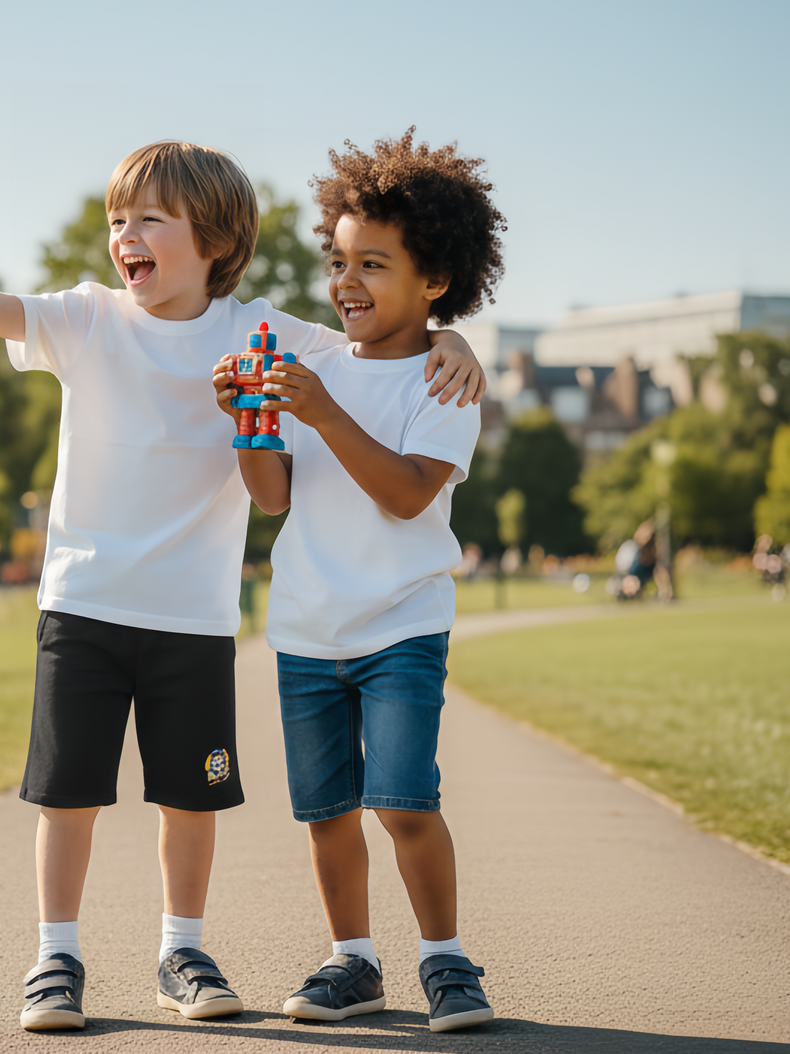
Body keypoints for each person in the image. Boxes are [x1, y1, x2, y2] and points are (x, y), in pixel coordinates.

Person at [0, 140, 486, 1031]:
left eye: (150, 219)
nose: (125, 235)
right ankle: (56, 956)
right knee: (68, 795)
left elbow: (381, 340)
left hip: (194, 618)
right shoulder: (87, 319)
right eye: (117, 220)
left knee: (189, 799)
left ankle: (183, 950)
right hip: (82, 603)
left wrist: (454, 339)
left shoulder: (270, 334)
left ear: (215, 241)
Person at [221, 130, 499, 1033]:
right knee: (327, 813)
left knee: (402, 801)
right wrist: (251, 423)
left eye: (372, 264)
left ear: (435, 280)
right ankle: (353, 962)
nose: (346, 282)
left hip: (401, 628)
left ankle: (446, 960)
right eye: (338, 261)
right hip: (306, 628)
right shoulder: (315, 367)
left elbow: (408, 495)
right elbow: (273, 498)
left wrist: (326, 411)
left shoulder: (445, 384)